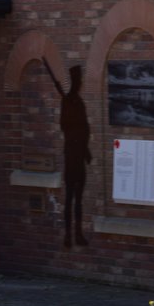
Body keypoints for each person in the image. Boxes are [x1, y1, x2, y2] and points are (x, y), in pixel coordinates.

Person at [43, 60, 91, 248]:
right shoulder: (68, 101)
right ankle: (68, 235)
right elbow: (66, 126)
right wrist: (78, 139)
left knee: (79, 199)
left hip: (80, 155)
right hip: (72, 155)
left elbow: (85, 128)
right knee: (71, 196)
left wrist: (86, 150)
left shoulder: (77, 101)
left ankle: (78, 234)